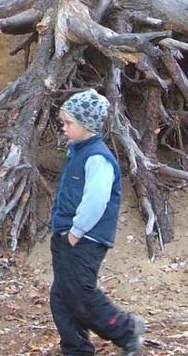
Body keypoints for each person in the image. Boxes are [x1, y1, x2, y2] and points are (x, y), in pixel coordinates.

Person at [50, 89, 146, 356]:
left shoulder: (97, 157)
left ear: (87, 125)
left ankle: (126, 330)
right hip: (65, 236)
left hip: (84, 239)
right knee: (61, 296)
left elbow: (96, 200)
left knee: (82, 295)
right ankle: (75, 348)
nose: (64, 128)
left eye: (69, 123)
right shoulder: (77, 152)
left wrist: (76, 231)